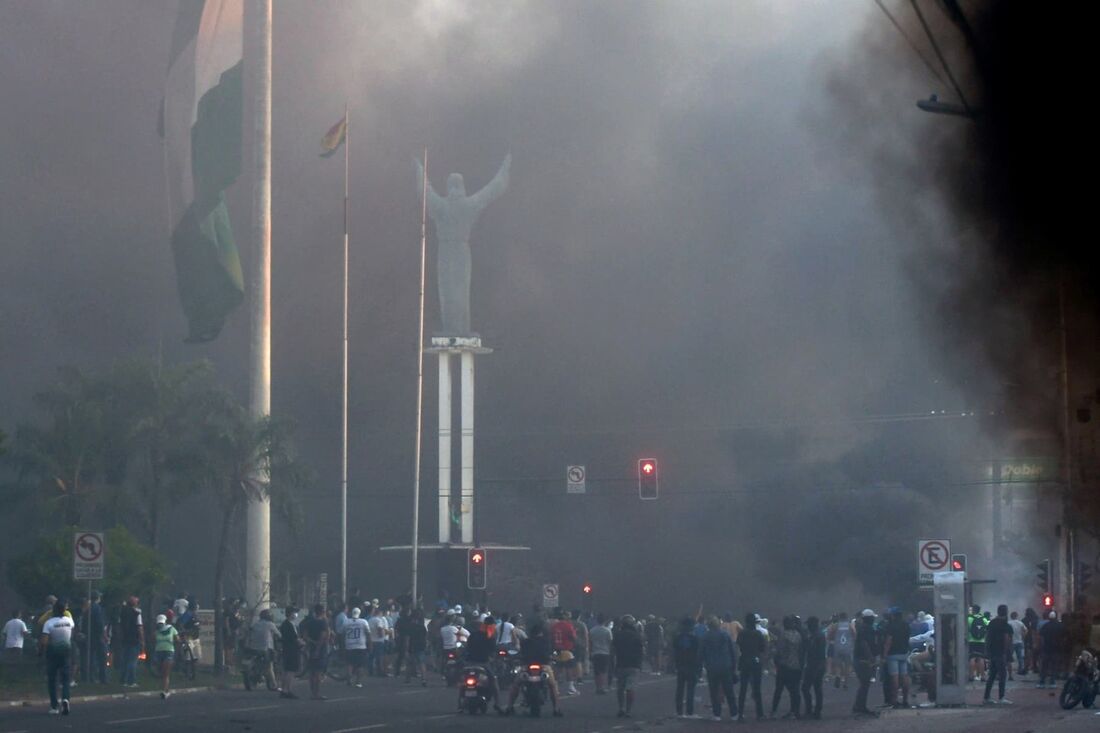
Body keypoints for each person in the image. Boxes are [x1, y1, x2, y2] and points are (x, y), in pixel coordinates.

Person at [504, 621, 563, 717]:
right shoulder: (547, 641)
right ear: (541, 632)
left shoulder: (526, 642)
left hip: (527, 666)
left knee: (516, 685)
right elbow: (552, 653)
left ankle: (509, 707)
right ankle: (556, 709)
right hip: (544, 666)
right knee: (552, 686)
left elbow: (520, 653)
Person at [460, 617, 502, 713]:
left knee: (462, 682)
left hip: (469, 663)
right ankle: (498, 704)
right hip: (483, 663)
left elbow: (467, 648)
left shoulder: (473, 635)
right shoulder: (490, 637)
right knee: (494, 681)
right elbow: (493, 651)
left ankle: (459, 704)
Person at [701, 616, 739, 721]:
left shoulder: (705, 636)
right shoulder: (725, 635)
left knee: (713, 691)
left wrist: (702, 665)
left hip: (711, 667)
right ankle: (734, 714)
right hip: (725, 666)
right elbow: (732, 652)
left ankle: (717, 714)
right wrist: (734, 665)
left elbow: (701, 653)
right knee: (729, 691)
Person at [41, 600, 74, 716]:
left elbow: (44, 641)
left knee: (52, 680)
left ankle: (54, 706)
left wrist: (42, 652)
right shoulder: (69, 621)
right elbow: (71, 633)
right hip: (66, 651)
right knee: (65, 679)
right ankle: (65, 699)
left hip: (53, 653)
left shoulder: (49, 623)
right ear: (64, 610)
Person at [611, 615, 644, 718]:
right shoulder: (637, 635)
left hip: (621, 664)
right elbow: (642, 651)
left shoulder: (618, 635)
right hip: (634, 665)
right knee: (630, 688)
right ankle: (628, 711)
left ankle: (621, 708)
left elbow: (613, 650)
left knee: (620, 688)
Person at [771, 616, 804, 719]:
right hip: (796, 665)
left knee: (778, 690)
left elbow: (779, 651)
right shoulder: (798, 635)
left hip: (784, 666)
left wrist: (776, 662)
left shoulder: (783, 635)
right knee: (795, 691)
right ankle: (795, 712)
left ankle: (773, 711)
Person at [737, 612, 766, 721]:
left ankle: (740, 713)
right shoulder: (758, 634)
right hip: (755, 661)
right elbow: (762, 648)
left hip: (744, 660)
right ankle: (760, 713)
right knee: (757, 689)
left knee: (743, 689)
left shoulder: (742, 633)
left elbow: (739, 645)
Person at [981, 604, 1013, 704]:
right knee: (1002, 675)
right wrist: (1007, 652)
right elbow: (1006, 639)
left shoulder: (992, 623)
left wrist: (987, 651)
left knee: (992, 675)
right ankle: (1001, 697)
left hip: (992, 652)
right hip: (1000, 652)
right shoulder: (1005, 625)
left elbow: (987, 637)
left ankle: (986, 697)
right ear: (1006, 612)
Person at [881, 608, 912, 708]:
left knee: (894, 677)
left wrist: (884, 654)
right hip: (904, 653)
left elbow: (889, 641)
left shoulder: (891, 626)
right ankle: (905, 700)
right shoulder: (906, 625)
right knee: (905, 676)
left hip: (893, 654)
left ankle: (894, 700)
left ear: (893, 615)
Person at [672, 616, 701, 718]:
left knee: (680, 689)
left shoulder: (677, 637)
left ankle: (679, 711)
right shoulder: (694, 638)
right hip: (691, 665)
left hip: (680, 665)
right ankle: (689, 712)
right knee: (690, 689)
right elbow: (698, 653)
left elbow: (674, 651)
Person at [852, 609, 879, 717]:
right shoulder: (865, 629)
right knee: (865, 684)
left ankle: (859, 706)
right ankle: (860, 707)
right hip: (862, 660)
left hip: (861, 659)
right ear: (870, 619)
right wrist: (870, 657)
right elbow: (864, 644)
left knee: (864, 684)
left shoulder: (864, 628)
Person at [301, 604, 330, 700]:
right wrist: (318, 648)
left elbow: (305, 636)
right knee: (317, 672)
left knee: (311, 672)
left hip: (310, 648)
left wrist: (311, 642)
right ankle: (316, 694)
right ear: (323, 611)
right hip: (320, 649)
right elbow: (323, 636)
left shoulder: (309, 622)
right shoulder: (323, 623)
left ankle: (312, 693)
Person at [246, 609, 279, 691]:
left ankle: (258, 674)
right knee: (269, 666)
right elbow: (279, 634)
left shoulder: (256, 624)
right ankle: (274, 684)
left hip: (253, 647)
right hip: (265, 648)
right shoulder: (270, 624)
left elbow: (250, 631)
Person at [801, 616, 826, 719]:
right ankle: (816, 711)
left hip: (814, 665)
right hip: (817, 665)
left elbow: (819, 653)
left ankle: (810, 711)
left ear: (812, 625)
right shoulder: (818, 635)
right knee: (817, 688)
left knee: (806, 688)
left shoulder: (817, 636)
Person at [117, 596, 144, 687]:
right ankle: (131, 681)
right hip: (134, 639)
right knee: (132, 661)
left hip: (125, 639)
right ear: (135, 604)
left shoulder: (123, 613)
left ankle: (123, 680)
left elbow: (120, 626)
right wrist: (142, 640)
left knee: (125, 660)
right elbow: (139, 627)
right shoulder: (137, 613)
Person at [551, 610, 579, 695]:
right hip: (566, 650)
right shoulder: (568, 626)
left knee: (556, 670)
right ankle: (570, 688)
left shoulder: (554, 626)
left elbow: (550, 637)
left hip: (556, 650)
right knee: (569, 669)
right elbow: (573, 637)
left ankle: (555, 689)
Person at [152, 614, 178, 699]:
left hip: (169, 651)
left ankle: (164, 691)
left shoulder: (172, 629)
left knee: (166, 672)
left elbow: (177, 639)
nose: (160, 625)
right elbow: (153, 639)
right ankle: (165, 689)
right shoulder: (156, 631)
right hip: (158, 652)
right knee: (161, 672)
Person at [1038, 610, 1065, 689]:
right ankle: (1052, 682)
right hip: (1056, 649)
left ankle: (1042, 682)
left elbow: (1041, 637)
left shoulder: (1045, 626)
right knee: (1054, 666)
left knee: (1044, 666)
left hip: (1046, 648)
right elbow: (1064, 637)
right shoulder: (1060, 626)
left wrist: (1040, 646)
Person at [343, 606, 369, 687]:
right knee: (360, 665)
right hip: (361, 645)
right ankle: (358, 682)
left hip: (349, 645)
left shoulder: (346, 622)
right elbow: (368, 633)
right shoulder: (363, 622)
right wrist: (370, 644)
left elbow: (342, 633)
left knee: (349, 664)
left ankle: (349, 680)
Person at [279, 607, 301, 698]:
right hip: (291, 649)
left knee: (287, 670)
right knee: (290, 671)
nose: (296, 614)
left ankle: (284, 689)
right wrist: (300, 642)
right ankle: (287, 690)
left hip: (289, 649)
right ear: (290, 613)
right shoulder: (287, 625)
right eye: (294, 612)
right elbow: (293, 638)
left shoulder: (289, 624)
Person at [589, 614, 613, 695]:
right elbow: (610, 642)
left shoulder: (592, 630)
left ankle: (597, 687)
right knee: (604, 671)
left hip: (595, 652)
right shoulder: (607, 630)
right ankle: (602, 687)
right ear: (604, 621)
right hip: (605, 652)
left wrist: (590, 652)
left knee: (597, 671)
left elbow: (590, 642)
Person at [405, 608, 428, 685]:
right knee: (422, 663)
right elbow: (426, 637)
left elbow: (407, 639)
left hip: (412, 646)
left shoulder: (410, 627)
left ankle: (408, 679)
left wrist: (406, 648)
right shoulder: (422, 627)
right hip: (421, 646)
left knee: (410, 663)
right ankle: (423, 679)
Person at [967, 604, 988, 681]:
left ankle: (971, 675)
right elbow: (987, 628)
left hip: (971, 641)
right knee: (981, 659)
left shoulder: (969, 618)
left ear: (973, 610)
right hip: (982, 641)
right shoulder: (984, 619)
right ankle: (983, 676)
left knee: (972, 658)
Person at [367, 606, 389, 677]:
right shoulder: (379, 620)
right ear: (379, 613)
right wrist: (382, 635)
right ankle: (380, 672)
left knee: (371, 656)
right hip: (379, 641)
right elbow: (380, 628)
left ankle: (370, 671)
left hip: (371, 640)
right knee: (379, 657)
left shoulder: (370, 620)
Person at [1008, 611, 1027, 679]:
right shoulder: (1020, 623)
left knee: (1009, 657)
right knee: (1020, 657)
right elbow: (1025, 630)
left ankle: (1008, 670)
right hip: (1019, 641)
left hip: (1011, 642)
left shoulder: (1009, 623)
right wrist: (1023, 637)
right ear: (1016, 616)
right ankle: (1020, 669)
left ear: (1011, 616)